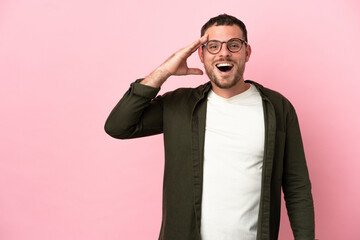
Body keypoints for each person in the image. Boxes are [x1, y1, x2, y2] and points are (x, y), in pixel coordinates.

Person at [104, 14, 315, 240]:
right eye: (213, 46)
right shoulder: (178, 105)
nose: (224, 53)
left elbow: (297, 188)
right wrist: (164, 71)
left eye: (234, 45)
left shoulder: (277, 108)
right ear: (201, 55)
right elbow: (118, 126)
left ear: (247, 52)